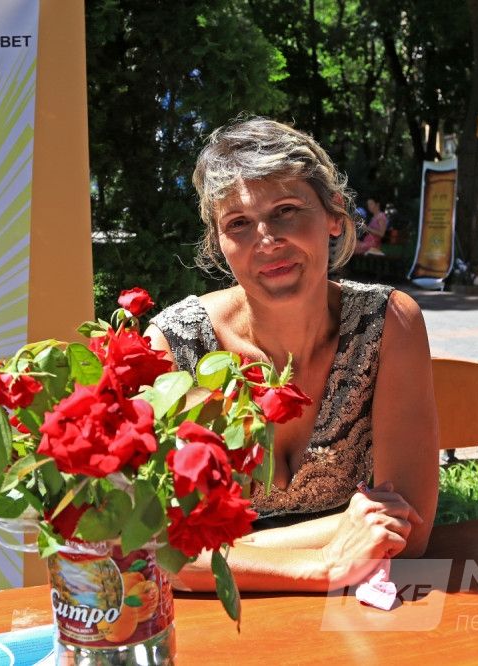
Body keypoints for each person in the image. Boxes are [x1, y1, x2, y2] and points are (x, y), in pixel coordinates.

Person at [146, 117, 438, 593]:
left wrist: (228, 551)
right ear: (219, 244)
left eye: (285, 210)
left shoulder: (387, 323)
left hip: (355, 616)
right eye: (238, 223)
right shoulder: (177, 345)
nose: (266, 238)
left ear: (334, 216)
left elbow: (410, 527)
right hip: (217, 620)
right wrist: (322, 564)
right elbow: (154, 547)